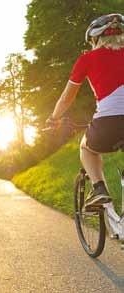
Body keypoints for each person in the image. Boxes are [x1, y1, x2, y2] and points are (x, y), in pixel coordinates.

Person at [47, 13, 124, 210]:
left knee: (87, 148)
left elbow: (67, 98)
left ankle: (99, 189)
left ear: (95, 38)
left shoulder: (87, 59)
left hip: (108, 125)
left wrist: (54, 119)